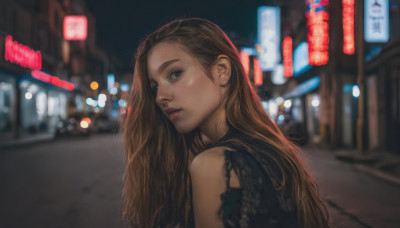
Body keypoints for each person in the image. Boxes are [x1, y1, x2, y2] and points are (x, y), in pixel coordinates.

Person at [122, 18, 329, 228]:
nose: (160, 97)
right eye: (155, 86)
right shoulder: (269, 150)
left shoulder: (214, 165)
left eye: (175, 74)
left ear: (222, 70)